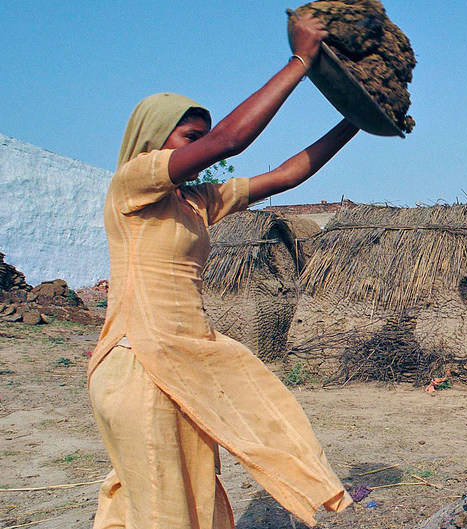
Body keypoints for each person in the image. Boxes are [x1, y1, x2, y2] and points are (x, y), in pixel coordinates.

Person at [87, 14, 358, 529]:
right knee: (163, 498)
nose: (199, 151)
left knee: (185, 488)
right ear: (152, 138)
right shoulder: (133, 181)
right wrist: (300, 62)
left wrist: (354, 120)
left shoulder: (195, 201)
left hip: (186, 355)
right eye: (190, 139)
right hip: (140, 360)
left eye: (200, 140)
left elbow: (286, 175)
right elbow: (232, 140)